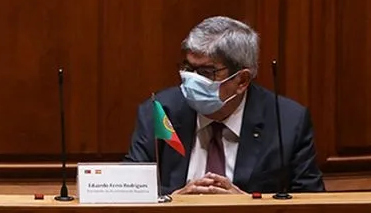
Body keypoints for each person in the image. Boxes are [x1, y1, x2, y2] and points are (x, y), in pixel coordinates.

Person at [125, 16, 325, 195]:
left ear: (242, 80)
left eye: (206, 72)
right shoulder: (160, 112)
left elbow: (312, 204)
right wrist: (173, 204)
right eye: (188, 68)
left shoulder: (287, 122)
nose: (191, 80)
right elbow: (128, 192)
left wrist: (246, 207)